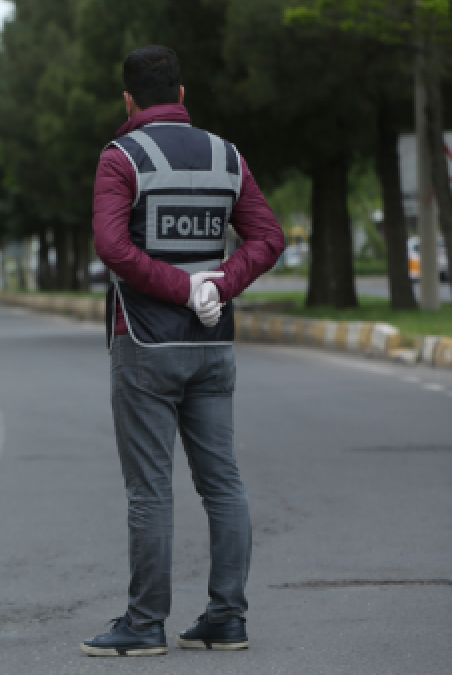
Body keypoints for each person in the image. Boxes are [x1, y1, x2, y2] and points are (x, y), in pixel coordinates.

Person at [82, 46, 285, 657]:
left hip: (145, 345)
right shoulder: (229, 157)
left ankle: (146, 625)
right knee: (222, 483)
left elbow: (113, 248)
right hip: (212, 343)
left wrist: (180, 287)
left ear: (129, 99)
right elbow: (268, 238)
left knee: (151, 490)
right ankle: (227, 617)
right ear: (181, 93)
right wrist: (215, 285)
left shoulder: (122, 159)